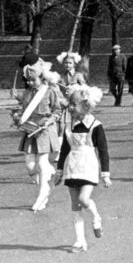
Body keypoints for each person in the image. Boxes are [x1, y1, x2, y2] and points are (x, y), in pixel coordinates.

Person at [53, 85, 111, 252]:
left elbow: (103, 150)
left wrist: (105, 174)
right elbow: (64, 149)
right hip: (73, 167)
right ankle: (80, 241)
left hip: (88, 166)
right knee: (75, 205)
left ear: (86, 106)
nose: (70, 108)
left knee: (84, 199)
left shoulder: (95, 125)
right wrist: (59, 171)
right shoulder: (69, 126)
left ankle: (96, 217)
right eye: (69, 104)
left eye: (74, 105)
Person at [11, 59, 66, 212]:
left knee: (42, 163)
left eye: (32, 80)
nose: (30, 83)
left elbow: (57, 111)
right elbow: (25, 110)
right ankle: (52, 173)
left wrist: (49, 121)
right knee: (30, 166)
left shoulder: (50, 91)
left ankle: (42, 196)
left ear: (41, 77)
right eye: (27, 80)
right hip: (30, 131)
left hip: (45, 130)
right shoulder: (28, 92)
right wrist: (17, 117)